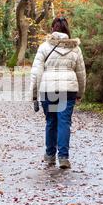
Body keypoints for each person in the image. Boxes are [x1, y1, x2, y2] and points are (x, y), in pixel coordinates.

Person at [30, 17, 86, 169]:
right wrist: (80, 92)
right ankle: (63, 158)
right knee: (64, 123)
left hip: (49, 90)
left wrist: (34, 95)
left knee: (51, 122)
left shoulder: (44, 47)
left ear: (53, 29)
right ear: (67, 30)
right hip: (68, 91)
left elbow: (36, 73)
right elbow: (81, 73)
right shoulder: (75, 48)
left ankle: (49, 156)